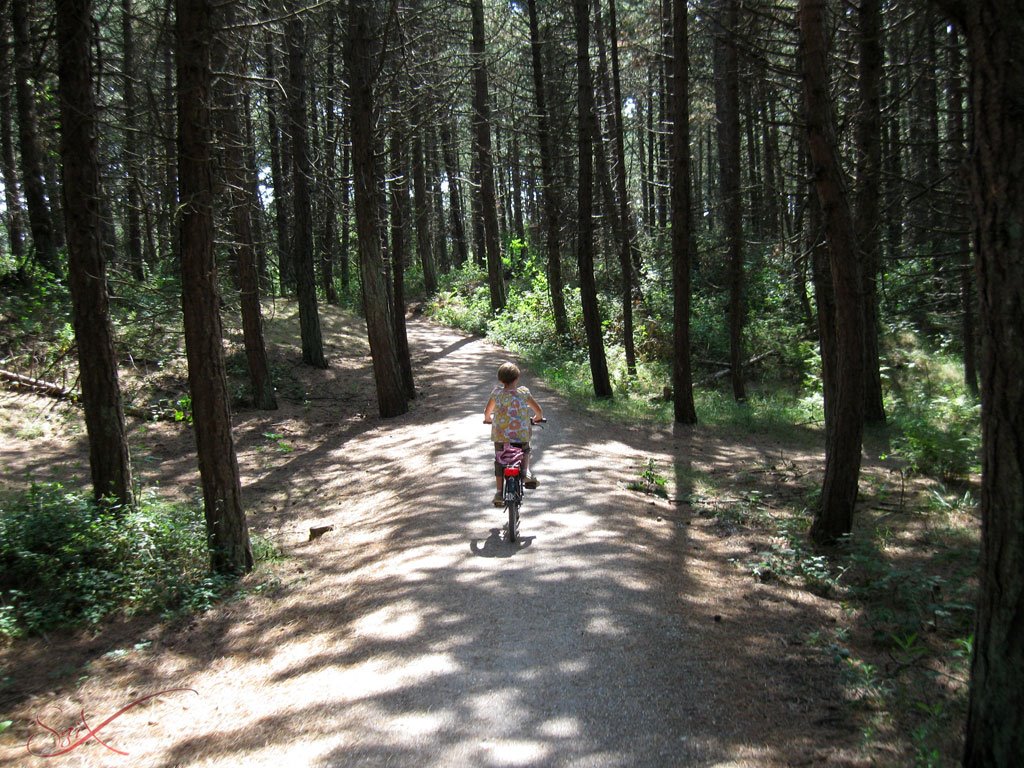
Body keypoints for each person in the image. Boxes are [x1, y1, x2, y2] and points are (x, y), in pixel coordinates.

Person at [483, 361, 544, 507]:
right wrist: (537, 418)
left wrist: (488, 419)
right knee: (525, 450)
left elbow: (487, 412)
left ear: (500, 379)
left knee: (500, 461)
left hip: (500, 435)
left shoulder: (496, 393)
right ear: (517, 378)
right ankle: (526, 472)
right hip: (520, 433)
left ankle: (499, 492)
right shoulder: (523, 393)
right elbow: (538, 411)